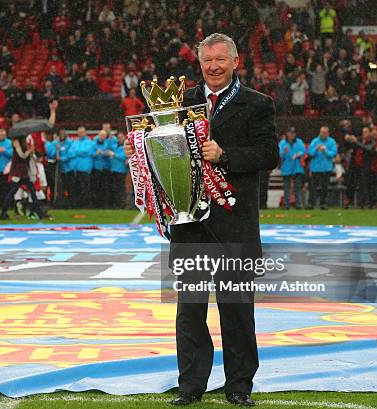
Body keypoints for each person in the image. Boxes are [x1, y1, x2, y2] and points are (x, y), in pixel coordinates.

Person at [125, 33, 279, 406]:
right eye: (207, 60)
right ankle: (190, 385)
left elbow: (268, 154)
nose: (213, 66)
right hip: (188, 221)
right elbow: (159, 147)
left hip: (235, 222)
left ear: (235, 61)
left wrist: (225, 154)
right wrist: (140, 147)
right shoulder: (181, 102)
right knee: (190, 308)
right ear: (200, 63)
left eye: (220, 60)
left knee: (237, 309)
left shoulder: (258, 104)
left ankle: (239, 385)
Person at [0, 135, 50, 220]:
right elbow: (22, 155)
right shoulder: (16, 142)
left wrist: (31, 151)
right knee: (13, 192)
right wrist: (29, 151)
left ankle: (39, 212)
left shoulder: (23, 143)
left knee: (31, 192)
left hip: (24, 171)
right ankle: (3, 213)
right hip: (18, 172)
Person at [307, 126, 337, 209]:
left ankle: (323, 203)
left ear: (328, 133)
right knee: (313, 187)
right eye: (321, 132)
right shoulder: (315, 141)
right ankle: (311, 203)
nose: (322, 134)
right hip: (315, 168)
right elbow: (309, 153)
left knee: (325, 187)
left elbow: (333, 153)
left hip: (326, 168)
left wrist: (325, 151)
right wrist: (316, 149)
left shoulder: (332, 142)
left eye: (324, 133)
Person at [344, 128, 374, 208]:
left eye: (366, 132)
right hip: (354, 165)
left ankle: (362, 203)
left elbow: (368, 148)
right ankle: (349, 201)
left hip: (365, 166)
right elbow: (348, 145)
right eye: (363, 132)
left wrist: (355, 141)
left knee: (363, 184)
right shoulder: (359, 139)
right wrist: (348, 139)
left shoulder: (372, 142)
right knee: (351, 183)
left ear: (370, 133)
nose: (364, 134)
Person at [279, 127, 306, 209]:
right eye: (290, 133)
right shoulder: (283, 143)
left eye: (293, 133)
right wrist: (284, 152)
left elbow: (303, 150)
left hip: (297, 168)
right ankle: (287, 204)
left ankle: (298, 204)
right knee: (286, 187)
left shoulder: (299, 142)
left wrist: (299, 154)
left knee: (297, 187)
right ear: (287, 134)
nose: (292, 134)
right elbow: (278, 154)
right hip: (286, 168)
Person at [69, 126, 93, 208]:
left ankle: (86, 205)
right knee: (77, 188)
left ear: (85, 133)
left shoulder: (89, 142)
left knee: (85, 188)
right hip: (75, 169)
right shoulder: (75, 141)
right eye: (79, 132)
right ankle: (78, 204)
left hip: (85, 168)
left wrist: (76, 152)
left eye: (82, 132)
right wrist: (79, 152)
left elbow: (86, 151)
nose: (80, 134)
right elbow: (70, 152)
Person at [91, 130, 112, 207]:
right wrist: (96, 153)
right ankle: (96, 203)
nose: (102, 137)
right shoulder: (93, 144)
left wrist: (104, 153)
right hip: (97, 168)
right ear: (98, 135)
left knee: (105, 186)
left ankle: (105, 203)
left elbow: (110, 153)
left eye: (104, 135)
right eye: (101, 135)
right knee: (96, 186)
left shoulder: (108, 143)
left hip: (105, 168)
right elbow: (91, 154)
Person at [109, 131, 128, 208]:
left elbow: (123, 156)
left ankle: (121, 204)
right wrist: (110, 137)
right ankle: (116, 204)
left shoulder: (125, 146)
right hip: (114, 170)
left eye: (121, 137)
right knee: (115, 188)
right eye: (118, 137)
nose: (120, 138)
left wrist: (113, 154)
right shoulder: (115, 145)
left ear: (124, 137)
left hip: (121, 170)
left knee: (120, 188)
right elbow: (109, 145)